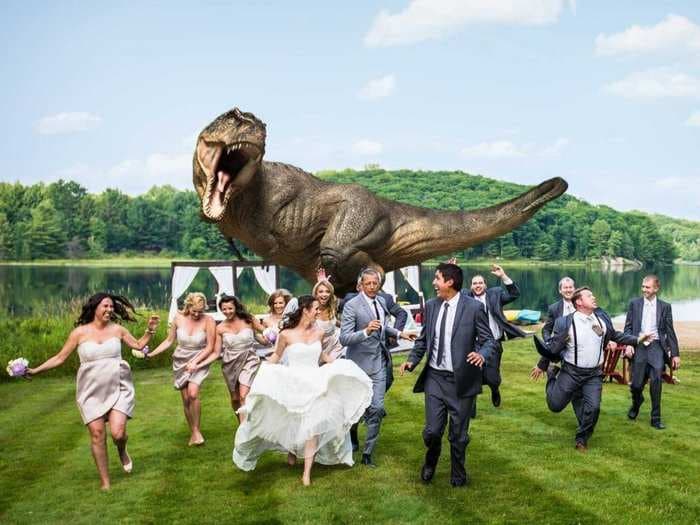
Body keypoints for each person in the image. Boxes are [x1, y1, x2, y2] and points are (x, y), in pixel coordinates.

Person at [232, 295, 373, 486]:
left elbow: (321, 355)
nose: (318, 311)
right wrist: (263, 371)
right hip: (293, 381)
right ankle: (292, 451)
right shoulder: (286, 334)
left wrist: (340, 365)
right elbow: (276, 355)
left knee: (312, 426)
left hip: (314, 381)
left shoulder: (319, 332)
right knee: (293, 420)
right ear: (305, 310)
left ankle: (306, 473)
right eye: (315, 308)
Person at [26, 292, 159, 490]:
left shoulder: (118, 330)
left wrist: (149, 331)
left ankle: (122, 450)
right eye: (105, 306)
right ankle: (105, 483)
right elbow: (60, 358)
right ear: (95, 307)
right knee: (97, 434)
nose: (110, 309)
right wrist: (35, 370)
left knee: (118, 433)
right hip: (90, 389)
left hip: (118, 384)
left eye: (112, 307)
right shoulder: (79, 333)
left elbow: (139, 345)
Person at [399, 263, 496, 487]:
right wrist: (412, 361)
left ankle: (458, 473)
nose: (434, 282)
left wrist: (481, 354)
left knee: (458, 435)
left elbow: (489, 340)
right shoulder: (432, 306)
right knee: (432, 432)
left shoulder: (473, 308)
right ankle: (431, 460)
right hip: (434, 378)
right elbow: (423, 340)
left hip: (461, 381)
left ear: (449, 282)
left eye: (437, 278)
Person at [534, 287, 650, 451]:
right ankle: (553, 376)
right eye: (589, 296)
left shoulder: (601, 318)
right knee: (555, 405)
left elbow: (615, 335)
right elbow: (552, 348)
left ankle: (582, 439)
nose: (594, 297)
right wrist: (543, 365)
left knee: (594, 408)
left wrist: (637, 339)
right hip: (571, 372)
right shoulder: (565, 322)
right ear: (579, 302)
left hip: (594, 374)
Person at [339, 268, 416, 467]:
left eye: (375, 283)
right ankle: (353, 433)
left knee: (378, 407)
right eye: (368, 284)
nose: (373, 287)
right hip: (358, 365)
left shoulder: (381, 301)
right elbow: (344, 338)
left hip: (379, 363)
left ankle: (367, 453)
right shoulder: (351, 305)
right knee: (356, 407)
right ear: (361, 285)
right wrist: (365, 331)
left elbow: (382, 326)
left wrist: (400, 334)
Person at [148, 292, 215, 446]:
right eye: (194, 311)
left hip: (199, 359)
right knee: (185, 399)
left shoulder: (209, 320)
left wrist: (196, 362)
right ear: (188, 306)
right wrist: (152, 354)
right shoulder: (178, 318)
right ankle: (193, 432)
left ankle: (197, 432)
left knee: (193, 394)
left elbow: (210, 347)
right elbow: (169, 340)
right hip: (180, 360)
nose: (197, 314)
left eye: (200, 311)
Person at [187, 295, 265, 422]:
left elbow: (263, 335)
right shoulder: (220, 328)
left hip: (249, 359)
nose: (227, 312)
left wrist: (270, 337)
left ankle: (245, 431)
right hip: (230, 364)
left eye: (230, 308)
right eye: (224, 309)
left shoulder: (248, 320)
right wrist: (198, 364)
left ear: (236, 307)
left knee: (243, 395)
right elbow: (216, 353)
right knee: (235, 398)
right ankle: (241, 422)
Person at [623, 275, 680, 429]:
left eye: (647, 287)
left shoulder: (665, 307)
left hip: (656, 346)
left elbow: (670, 331)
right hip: (640, 345)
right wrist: (629, 344)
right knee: (635, 385)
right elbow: (628, 327)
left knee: (656, 382)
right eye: (643, 286)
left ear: (656, 288)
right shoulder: (634, 304)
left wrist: (675, 354)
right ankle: (636, 403)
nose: (644, 290)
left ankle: (655, 418)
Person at [467, 264, 526, 409]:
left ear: (485, 285)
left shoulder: (495, 294)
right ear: (471, 286)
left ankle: (494, 390)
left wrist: (503, 276)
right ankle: (471, 403)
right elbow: (451, 291)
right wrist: (451, 272)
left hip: (493, 342)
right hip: (474, 344)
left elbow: (514, 294)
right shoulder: (465, 298)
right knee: (472, 374)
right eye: (475, 283)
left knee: (492, 377)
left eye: (480, 283)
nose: (478, 286)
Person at [530, 277, 576, 380]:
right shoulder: (554, 308)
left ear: (574, 289)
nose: (568, 290)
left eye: (570, 287)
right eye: (565, 288)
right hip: (562, 348)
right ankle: (553, 372)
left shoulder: (581, 305)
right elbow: (546, 329)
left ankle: (552, 372)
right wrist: (548, 343)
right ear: (560, 290)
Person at [313, 278, 343, 360]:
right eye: (321, 291)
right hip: (317, 348)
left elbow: (334, 322)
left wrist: (347, 326)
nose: (324, 294)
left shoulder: (332, 307)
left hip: (334, 347)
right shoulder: (311, 310)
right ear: (315, 294)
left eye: (327, 291)